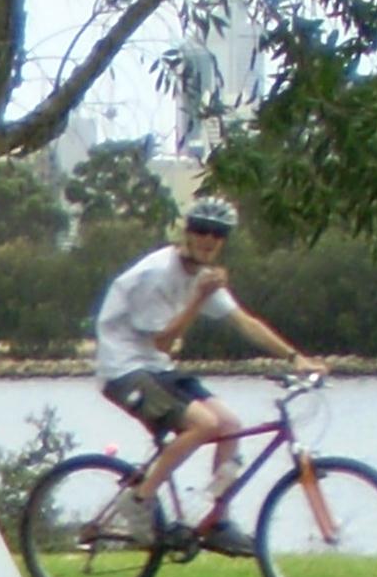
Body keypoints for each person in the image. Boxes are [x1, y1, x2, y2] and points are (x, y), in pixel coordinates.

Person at [92, 197, 316, 536]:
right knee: (204, 424)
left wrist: (294, 357)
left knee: (229, 425)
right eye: (201, 230)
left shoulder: (202, 277)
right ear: (187, 233)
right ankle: (138, 502)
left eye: (219, 233)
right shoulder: (156, 274)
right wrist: (198, 298)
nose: (209, 239)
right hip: (123, 369)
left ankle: (218, 520)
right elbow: (163, 342)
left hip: (155, 368)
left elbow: (244, 322)